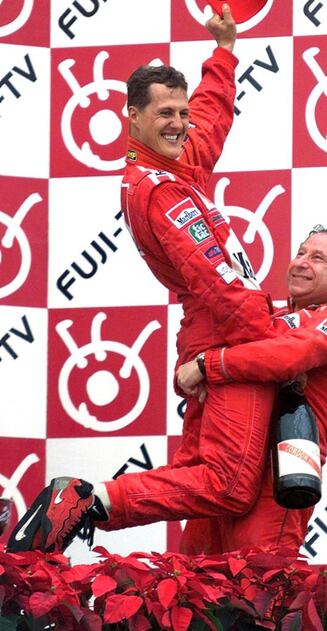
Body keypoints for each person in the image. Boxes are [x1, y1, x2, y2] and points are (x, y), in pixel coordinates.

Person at [7, 4, 278, 556]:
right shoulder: (158, 187)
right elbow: (219, 284)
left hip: (217, 337)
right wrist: (275, 348)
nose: (180, 123)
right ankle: (87, 499)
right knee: (227, 484)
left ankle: (193, 593)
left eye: (181, 112)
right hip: (231, 339)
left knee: (202, 484)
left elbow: (212, 118)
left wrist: (223, 52)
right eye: (165, 114)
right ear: (132, 117)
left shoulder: (178, 165)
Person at [175, 226, 327, 553]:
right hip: (225, 466)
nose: (302, 263)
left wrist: (210, 365)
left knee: (254, 590)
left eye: (318, 258)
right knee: (190, 584)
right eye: (301, 253)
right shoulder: (270, 321)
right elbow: (189, 371)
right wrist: (202, 373)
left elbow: (286, 357)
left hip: (279, 475)